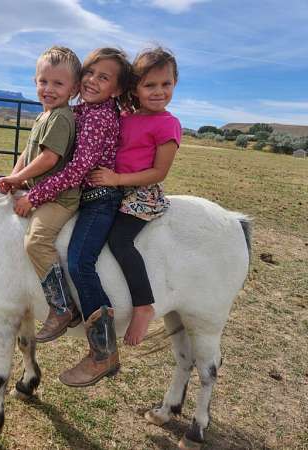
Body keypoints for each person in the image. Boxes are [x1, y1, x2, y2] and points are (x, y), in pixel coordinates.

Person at [13, 48, 133, 387]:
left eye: (103, 77)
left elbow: (79, 169)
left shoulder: (98, 117)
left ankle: (103, 351)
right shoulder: (81, 110)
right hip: (83, 196)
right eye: (90, 73)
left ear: (118, 89)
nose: (93, 81)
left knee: (81, 261)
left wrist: (34, 195)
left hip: (99, 200)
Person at [89, 47, 182, 347]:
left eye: (165, 84)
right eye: (149, 85)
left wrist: (117, 179)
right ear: (135, 88)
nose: (159, 92)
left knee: (119, 240)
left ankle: (143, 305)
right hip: (114, 187)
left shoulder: (168, 125)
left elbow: (158, 173)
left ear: (174, 84)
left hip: (142, 193)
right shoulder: (126, 115)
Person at [0, 46, 82, 341]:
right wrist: (14, 177)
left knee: (36, 241)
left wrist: (19, 177)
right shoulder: (43, 116)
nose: (49, 89)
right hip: (39, 189)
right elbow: (28, 152)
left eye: (58, 83)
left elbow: (48, 159)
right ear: (35, 82)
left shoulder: (60, 117)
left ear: (73, 89)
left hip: (59, 198)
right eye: (44, 81)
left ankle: (61, 306)